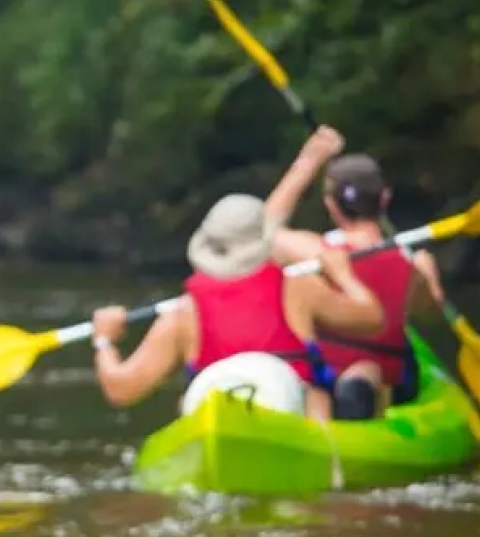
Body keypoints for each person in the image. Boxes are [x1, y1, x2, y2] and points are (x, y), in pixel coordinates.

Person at [89, 131, 386, 421]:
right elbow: (372, 319)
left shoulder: (183, 314)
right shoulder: (297, 288)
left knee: (186, 404)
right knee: (331, 389)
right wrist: (343, 275)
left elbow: (121, 389)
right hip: (296, 424)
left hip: (222, 429)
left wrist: (104, 340)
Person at [266, 132, 446, 419]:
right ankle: (365, 389)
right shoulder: (410, 262)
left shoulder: (314, 252)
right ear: (385, 198)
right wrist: (430, 278)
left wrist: (309, 160)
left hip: (327, 386)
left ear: (330, 205)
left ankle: (351, 392)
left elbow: (264, 231)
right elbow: (430, 313)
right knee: (380, 367)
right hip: (392, 382)